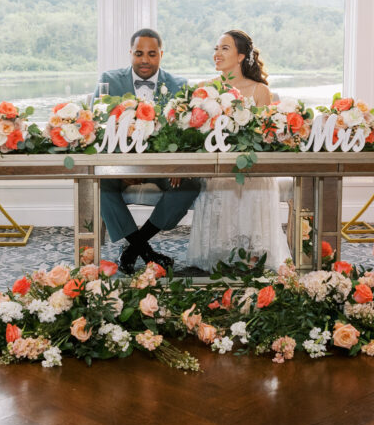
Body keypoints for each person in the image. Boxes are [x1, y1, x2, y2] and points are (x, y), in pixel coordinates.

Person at [95, 28, 200, 274]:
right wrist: (120, 168)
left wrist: (178, 163)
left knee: (189, 185)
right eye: (139, 53)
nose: (145, 59)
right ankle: (147, 251)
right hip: (120, 162)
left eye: (152, 54)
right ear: (130, 53)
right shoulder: (108, 80)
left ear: (161, 54)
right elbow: (99, 125)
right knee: (99, 187)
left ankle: (133, 249)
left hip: (163, 164)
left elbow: (189, 130)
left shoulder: (180, 85)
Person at [185, 30, 292, 271]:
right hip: (217, 164)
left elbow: (266, 137)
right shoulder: (204, 89)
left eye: (224, 48)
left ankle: (253, 253)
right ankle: (221, 253)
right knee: (221, 175)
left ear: (241, 56)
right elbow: (195, 135)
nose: (217, 54)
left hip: (250, 164)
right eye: (216, 48)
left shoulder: (259, 91)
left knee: (249, 177)